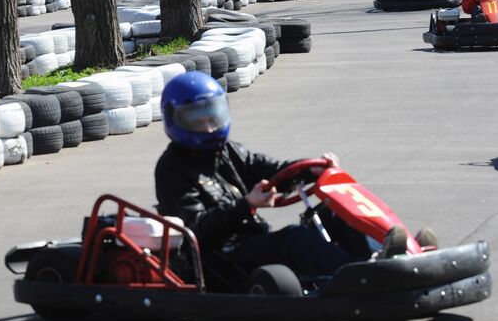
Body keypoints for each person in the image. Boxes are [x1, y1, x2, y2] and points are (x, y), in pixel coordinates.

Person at [154, 71, 434, 286]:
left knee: (330, 211)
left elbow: (273, 169)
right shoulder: (171, 169)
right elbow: (195, 229)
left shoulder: (228, 151)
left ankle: (396, 257)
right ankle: (367, 278)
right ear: (176, 121)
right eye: (196, 119)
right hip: (221, 257)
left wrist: (310, 169)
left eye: (212, 115)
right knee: (294, 239)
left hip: (252, 242)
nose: (208, 125)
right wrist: (246, 205)